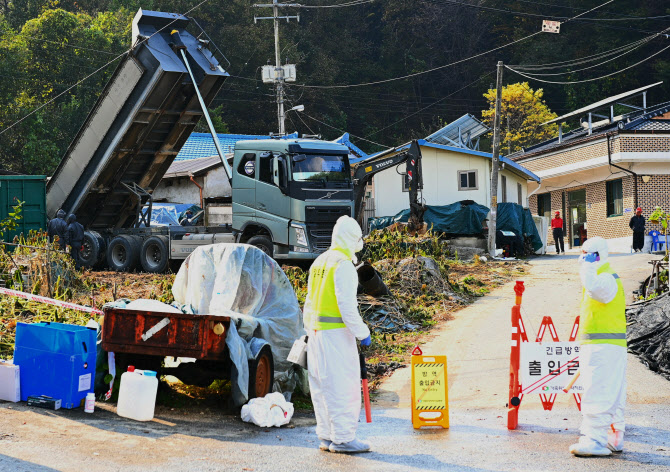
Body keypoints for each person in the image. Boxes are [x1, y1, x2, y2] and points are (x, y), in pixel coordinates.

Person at [303, 215, 372, 454]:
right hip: (336, 337)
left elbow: (309, 302)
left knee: (322, 388)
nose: (360, 243)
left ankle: (326, 435)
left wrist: (308, 331)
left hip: (316, 334)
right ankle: (343, 439)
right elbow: (347, 307)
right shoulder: (343, 265)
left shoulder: (320, 262)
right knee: (343, 387)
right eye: (358, 238)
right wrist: (363, 332)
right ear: (350, 239)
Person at [569, 237, 627, 457]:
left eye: (585, 254)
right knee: (612, 391)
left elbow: (593, 288)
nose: (581, 258)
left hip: (603, 347)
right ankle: (614, 437)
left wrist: (588, 265)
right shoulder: (604, 275)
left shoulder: (604, 278)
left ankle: (594, 439)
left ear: (594, 255)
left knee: (599, 391)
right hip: (606, 345)